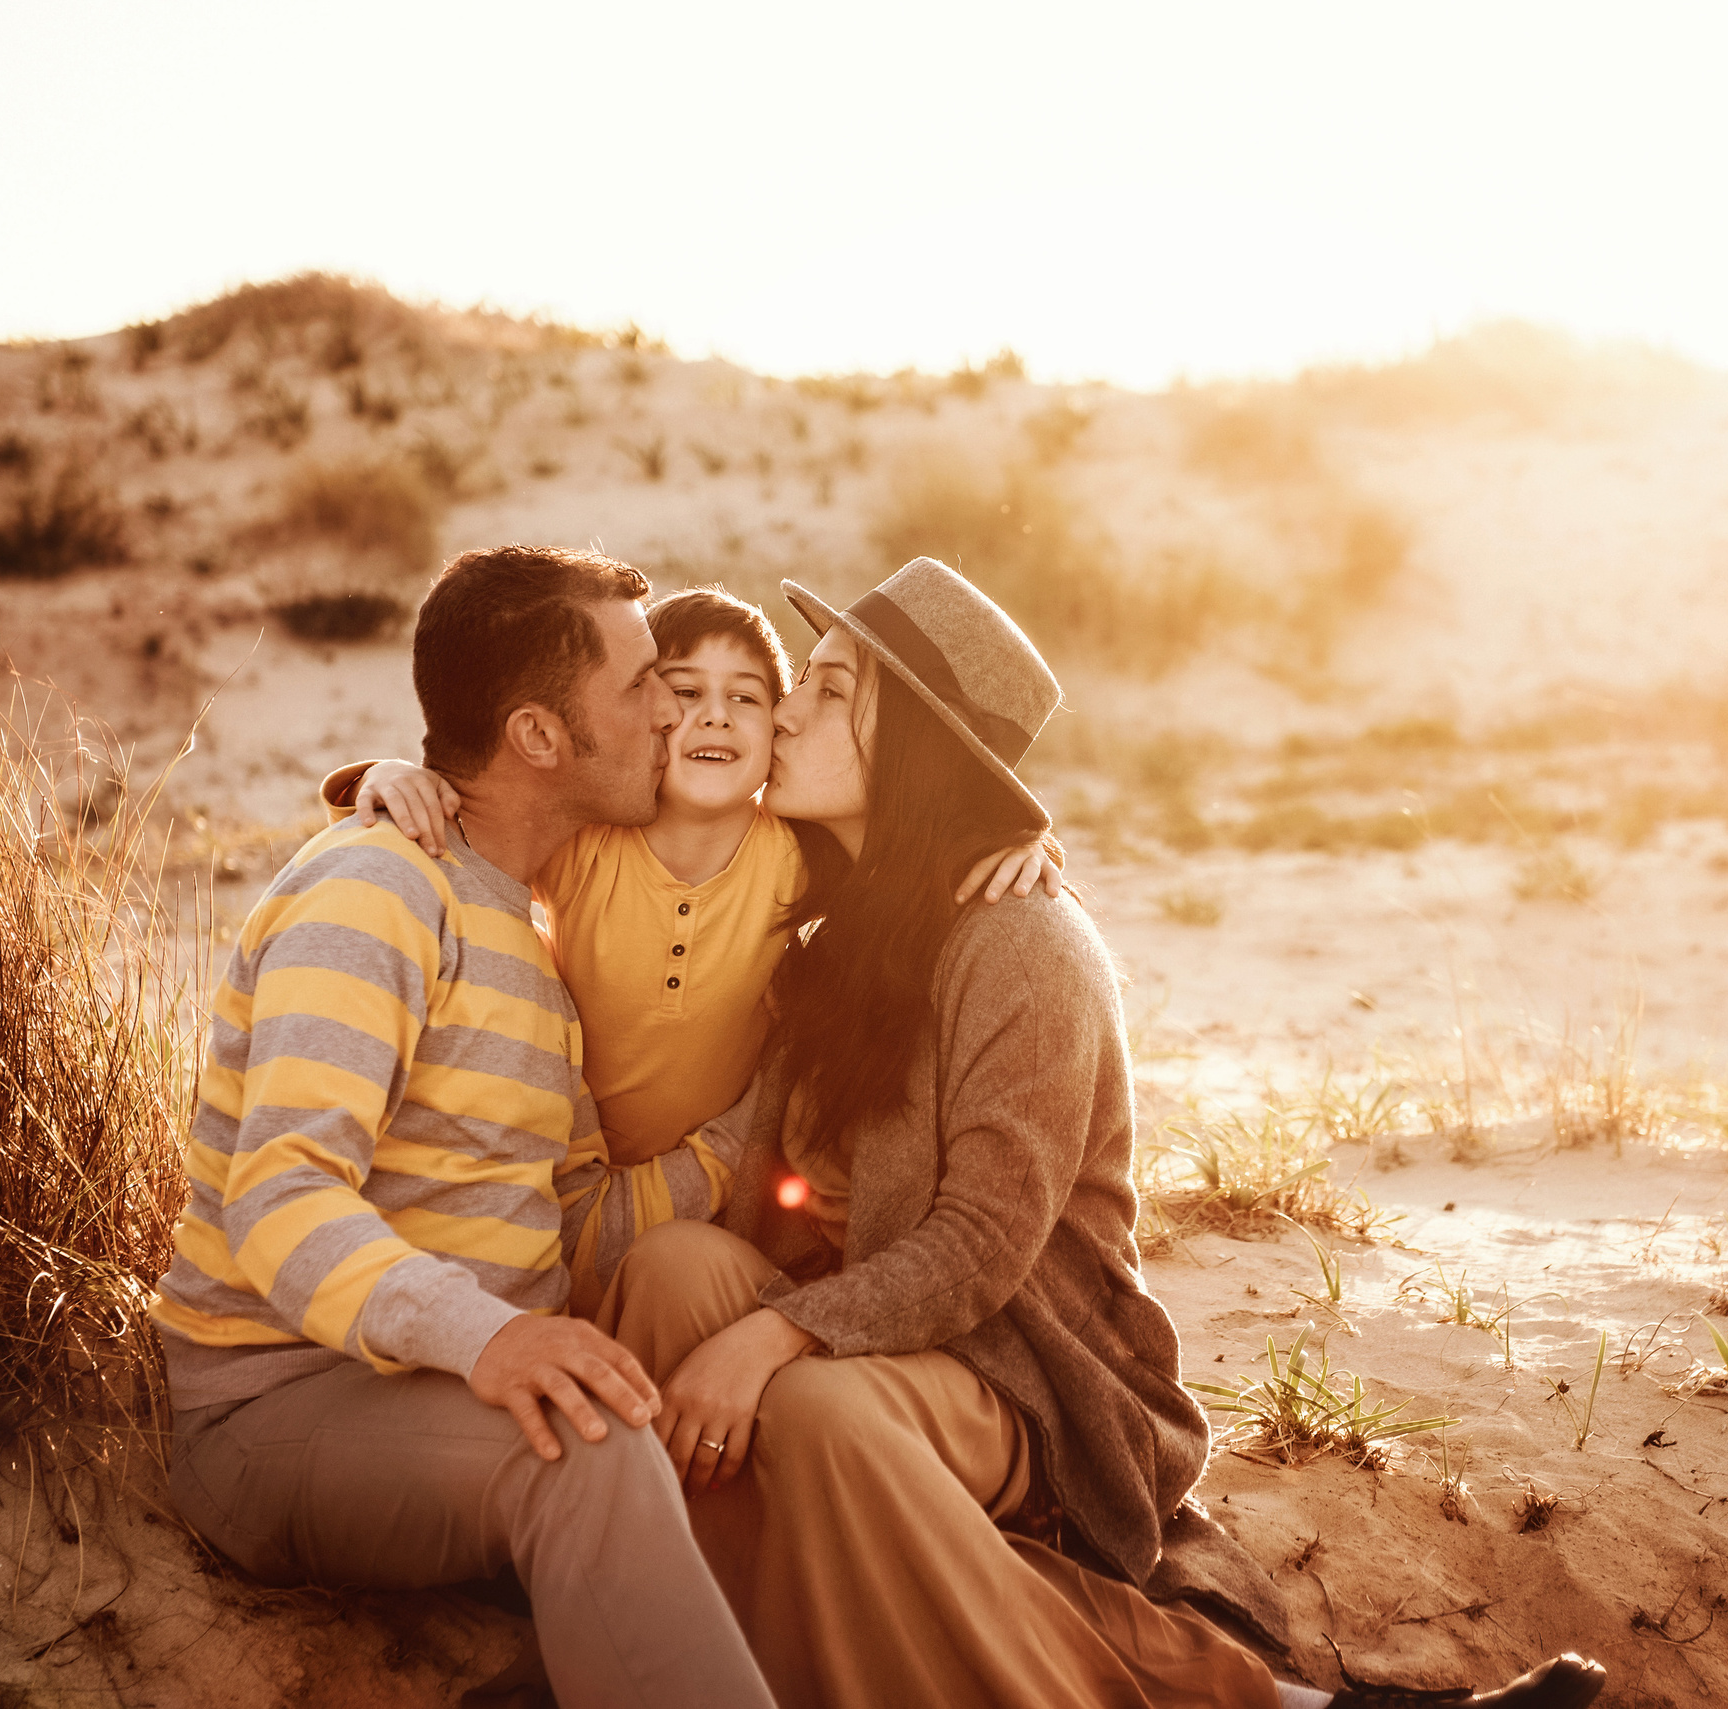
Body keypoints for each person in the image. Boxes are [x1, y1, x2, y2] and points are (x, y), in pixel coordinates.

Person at [597, 558, 1606, 1709]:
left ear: (913, 748)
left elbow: (983, 1242)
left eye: (828, 689)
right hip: (881, 1321)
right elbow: (746, 1177)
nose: (782, 708)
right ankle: (707, 1660)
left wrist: (777, 1332)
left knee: (818, 1406)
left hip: (1030, 1368)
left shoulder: (1025, 942)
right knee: (671, 1272)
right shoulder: (836, 927)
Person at [152, 546, 775, 1709]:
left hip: (429, 1399)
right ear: (540, 735)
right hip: (270, 1404)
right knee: (587, 1452)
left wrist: (752, 1131)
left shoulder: (529, 937)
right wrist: (492, 1339)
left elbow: (573, 1215)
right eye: (643, 685)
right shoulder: (375, 892)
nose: (674, 710)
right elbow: (279, 1199)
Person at [325, 585, 1056, 1314]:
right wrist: (389, 777)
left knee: (666, 1301)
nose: (717, 715)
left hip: (717, 1191)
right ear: (649, 717)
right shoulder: (586, 843)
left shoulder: (800, 857)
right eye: (686, 691)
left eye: (748, 696)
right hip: (561, 1172)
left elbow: (913, 847)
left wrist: (1019, 841)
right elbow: (485, 826)